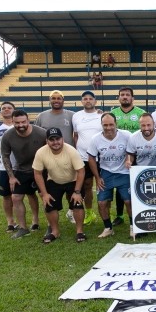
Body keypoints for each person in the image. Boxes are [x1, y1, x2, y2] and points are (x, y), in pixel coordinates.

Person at [33, 128, 86, 244]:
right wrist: (45, 194)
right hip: (54, 180)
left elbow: (81, 171)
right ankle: (55, 231)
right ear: (47, 141)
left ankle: (80, 231)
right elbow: (37, 173)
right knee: (49, 204)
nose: (55, 142)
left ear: (62, 139)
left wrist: (77, 192)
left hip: (73, 180)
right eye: (52, 140)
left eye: (57, 139)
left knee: (77, 204)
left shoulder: (71, 151)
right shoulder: (41, 152)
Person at [0, 109, 47, 239]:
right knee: (15, 197)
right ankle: (23, 228)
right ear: (12, 122)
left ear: (28, 120)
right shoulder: (7, 136)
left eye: (23, 122)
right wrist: (11, 177)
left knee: (44, 196)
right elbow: (5, 156)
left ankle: (47, 225)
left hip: (41, 170)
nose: (20, 125)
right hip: (21, 170)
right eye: (17, 123)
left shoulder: (41, 133)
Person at [87, 112, 133, 239]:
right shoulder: (95, 139)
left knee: (128, 201)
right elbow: (91, 158)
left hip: (124, 173)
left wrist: (129, 160)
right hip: (106, 173)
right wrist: (97, 177)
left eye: (111, 124)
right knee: (102, 203)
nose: (108, 128)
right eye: (105, 125)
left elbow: (132, 151)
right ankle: (108, 228)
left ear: (116, 124)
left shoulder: (126, 135)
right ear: (101, 125)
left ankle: (133, 227)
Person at [110, 86, 146, 226]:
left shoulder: (141, 113)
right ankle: (119, 215)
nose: (125, 97)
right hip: (118, 157)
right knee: (120, 186)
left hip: (137, 155)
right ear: (119, 97)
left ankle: (140, 212)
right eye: (122, 95)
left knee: (138, 184)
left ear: (132, 98)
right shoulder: (113, 113)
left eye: (127, 95)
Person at [72, 90, 103, 226]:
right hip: (83, 157)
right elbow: (76, 135)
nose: (88, 101)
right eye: (85, 99)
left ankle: (106, 212)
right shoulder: (76, 116)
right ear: (81, 101)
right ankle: (90, 213)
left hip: (101, 157)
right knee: (87, 185)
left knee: (104, 185)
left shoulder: (101, 115)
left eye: (90, 98)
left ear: (95, 101)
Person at [0, 102, 20, 232]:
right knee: (6, 196)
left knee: (27, 195)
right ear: (0, 112)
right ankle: (10, 222)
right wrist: (5, 156)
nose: (6, 110)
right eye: (4, 108)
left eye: (9, 108)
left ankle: (32, 222)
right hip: (5, 168)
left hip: (21, 167)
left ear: (14, 110)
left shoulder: (20, 125)